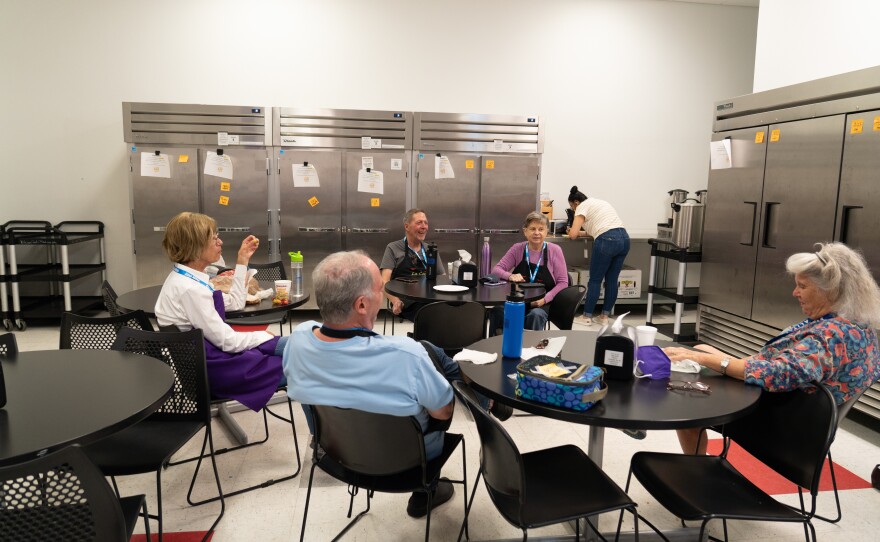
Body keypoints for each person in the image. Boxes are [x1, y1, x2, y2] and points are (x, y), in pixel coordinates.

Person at [284, 251, 502, 519]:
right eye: (380, 289)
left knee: (427, 349)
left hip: (336, 455)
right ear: (362, 305)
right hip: (409, 463)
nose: (384, 295)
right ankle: (428, 490)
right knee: (431, 354)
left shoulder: (298, 340)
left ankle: (470, 381)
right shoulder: (405, 354)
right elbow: (443, 413)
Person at [665, 242, 880, 454]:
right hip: (803, 412)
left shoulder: (830, 336)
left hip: (781, 423)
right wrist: (706, 357)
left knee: (689, 398)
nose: (795, 293)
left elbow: (777, 375)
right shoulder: (857, 325)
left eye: (803, 286)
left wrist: (705, 360)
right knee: (702, 348)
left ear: (831, 291)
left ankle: (695, 466)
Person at [155, 211, 286, 412]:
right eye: (214, 238)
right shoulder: (191, 289)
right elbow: (229, 342)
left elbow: (235, 302)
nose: (220, 242)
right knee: (304, 361)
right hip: (217, 370)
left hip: (212, 360)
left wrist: (242, 261)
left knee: (302, 345)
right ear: (195, 245)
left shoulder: (187, 278)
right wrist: (262, 335)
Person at [488, 212, 569, 335]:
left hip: (542, 303)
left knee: (535, 315)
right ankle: (497, 347)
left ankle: (529, 351)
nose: (537, 233)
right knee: (497, 311)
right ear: (525, 231)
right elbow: (496, 270)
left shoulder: (555, 250)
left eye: (541, 229)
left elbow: (563, 283)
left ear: (546, 231)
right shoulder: (517, 249)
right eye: (532, 229)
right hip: (517, 301)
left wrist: (545, 299)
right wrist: (510, 275)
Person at [567, 186, 630, 326]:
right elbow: (599, 228)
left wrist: (572, 230)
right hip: (624, 239)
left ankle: (586, 317)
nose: (573, 210)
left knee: (595, 280)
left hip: (606, 241)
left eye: (572, 208)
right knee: (612, 280)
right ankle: (604, 317)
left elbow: (572, 235)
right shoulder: (599, 203)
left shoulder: (582, 206)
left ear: (576, 202)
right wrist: (579, 232)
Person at [380, 208, 446, 321]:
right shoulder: (393, 248)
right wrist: (395, 301)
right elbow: (383, 282)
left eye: (426, 223)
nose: (424, 226)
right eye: (419, 223)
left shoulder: (430, 250)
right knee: (431, 314)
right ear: (407, 226)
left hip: (429, 298)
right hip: (405, 300)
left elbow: (443, 277)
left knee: (452, 310)